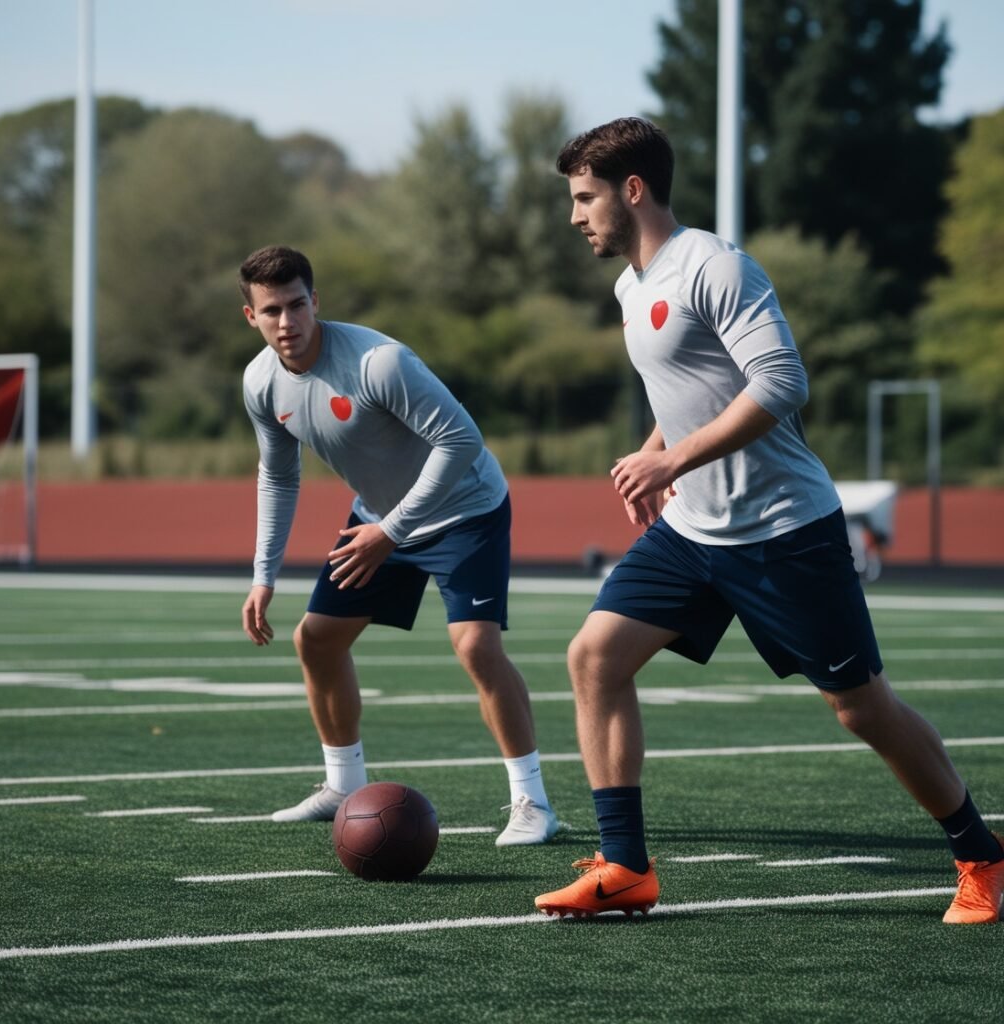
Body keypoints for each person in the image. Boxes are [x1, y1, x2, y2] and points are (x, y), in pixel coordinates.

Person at [534, 118, 1003, 922]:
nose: (576, 216)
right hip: (693, 531)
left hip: (786, 531)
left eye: (585, 198)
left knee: (861, 709)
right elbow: (683, 387)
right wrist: (655, 453)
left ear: (633, 190)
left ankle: (981, 856)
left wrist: (669, 463)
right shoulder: (629, 286)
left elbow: (781, 384)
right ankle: (625, 866)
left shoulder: (715, 266)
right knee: (594, 657)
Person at [238, 245, 557, 847]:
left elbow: (461, 441)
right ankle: (341, 786)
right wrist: (264, 575)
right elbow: (279, 475)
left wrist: (393, 531)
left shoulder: (380, 363)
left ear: (316, 302)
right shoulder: (260, 382)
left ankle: (532, 802)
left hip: (465, 510)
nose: (288, 322)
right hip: (381, 519)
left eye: (298, 305)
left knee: (475, 646)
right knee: (318, 638)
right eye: (272, 310)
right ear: (250, 316)